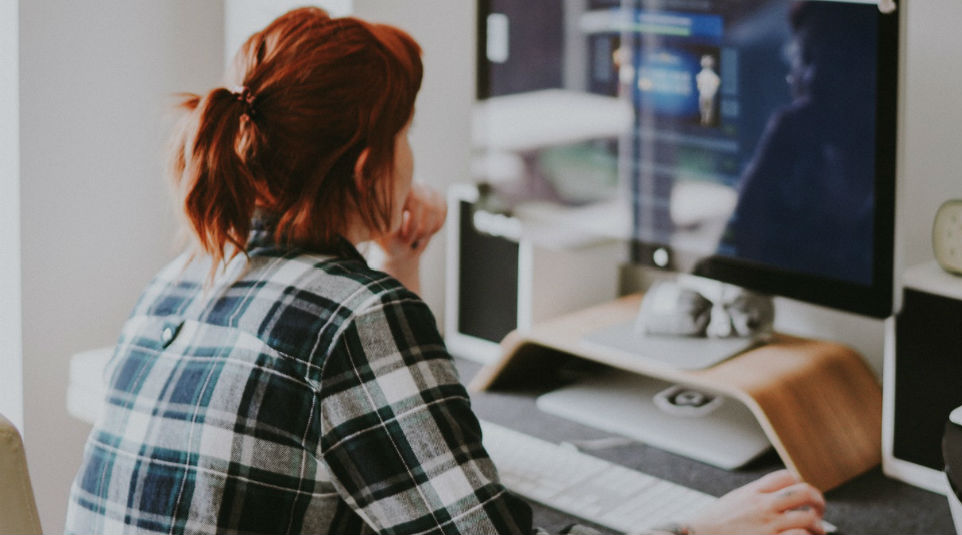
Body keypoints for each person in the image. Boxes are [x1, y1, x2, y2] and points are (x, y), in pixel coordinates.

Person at [65, 8, 827, 535]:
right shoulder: (354, 316)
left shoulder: (189, 271)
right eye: (407, 134)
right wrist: (702, 526)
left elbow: (378, 443)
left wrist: (394, 267)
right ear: (370, 165)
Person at [718, 1, 878, 285]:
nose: (814, 77)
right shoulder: (790, 147)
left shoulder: (892, 170)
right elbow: (733, 255)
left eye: (836, 58)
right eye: (805, 56)